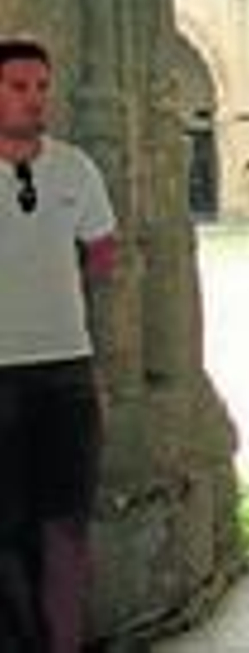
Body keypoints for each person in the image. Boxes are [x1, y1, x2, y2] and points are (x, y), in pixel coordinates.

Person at [0, 39, 117, 653]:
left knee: (67, 527)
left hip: (67, 372)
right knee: (6, 531)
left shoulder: (75, 168)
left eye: (42, 87)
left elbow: (102, 251)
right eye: (18, 87)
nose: (34, 99)